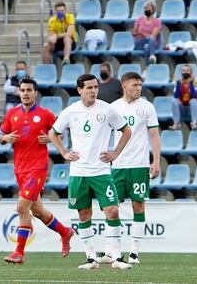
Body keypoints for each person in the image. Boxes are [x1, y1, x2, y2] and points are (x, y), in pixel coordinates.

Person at [48, 74, 133, 270]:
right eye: (89, 88)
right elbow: (53, 133)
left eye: (95, 87)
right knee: (84, 213)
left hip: (101, 171)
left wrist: (115, 153)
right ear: (79, 90)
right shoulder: (70, 112)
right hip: (79, 172)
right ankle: (90, 258)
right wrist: (64, 152)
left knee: (112, 210)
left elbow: (126, 130)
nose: (93, 91)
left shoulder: (107, 109)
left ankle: (117, 257)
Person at [0, 78, 73, 264]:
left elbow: (59, 133)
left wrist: (49, 139)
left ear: (35, 92)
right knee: (38, 211)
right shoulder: (11, 114)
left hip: (37, 168)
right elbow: (1, 138)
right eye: (22, 90)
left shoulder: (45, 114)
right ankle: (65, 232)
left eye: (29, 90)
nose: (25, 93)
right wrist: (6, 137)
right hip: (19, 169)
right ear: (19, 92)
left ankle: (19, 252)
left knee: (21, 207)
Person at [106, 72, 160, 265]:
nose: (139, 88)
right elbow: (104, 134)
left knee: (138, 206)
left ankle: (135, 252)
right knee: (112, 208)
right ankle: (112, 251)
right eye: (135, 85)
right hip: (118, 165)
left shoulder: (147, 107)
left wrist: (156, 161)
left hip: (139, 165)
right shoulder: (113, 108)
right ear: (124, 86)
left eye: (140, 85)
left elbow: (154, 135)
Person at [170, 65, 197, 130]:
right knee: (174, 100)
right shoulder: (179, 82)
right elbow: (176, 96)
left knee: (193, 100)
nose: (185, 72)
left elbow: (194, 95)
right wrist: (178, 83)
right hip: (182, 108)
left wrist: (191, 83)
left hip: (192, 108)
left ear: (191, 73)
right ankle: (176, 123)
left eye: (187, 70)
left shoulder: (196, 82)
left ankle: (194, 123)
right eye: (183, 70)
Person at [132, 0, 161, 64]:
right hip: (139, 42)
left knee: (147, 46)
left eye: (147, 8)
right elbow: (134, 33)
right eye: (145, 8)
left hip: (152, 44)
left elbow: (153, 36)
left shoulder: (157, 21)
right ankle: (152, 55)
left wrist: (142, 34)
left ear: (152, 10)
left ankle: (147, 66)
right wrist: (136, 32)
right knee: (147, 43)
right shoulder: (139, 20)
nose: (146, 10)